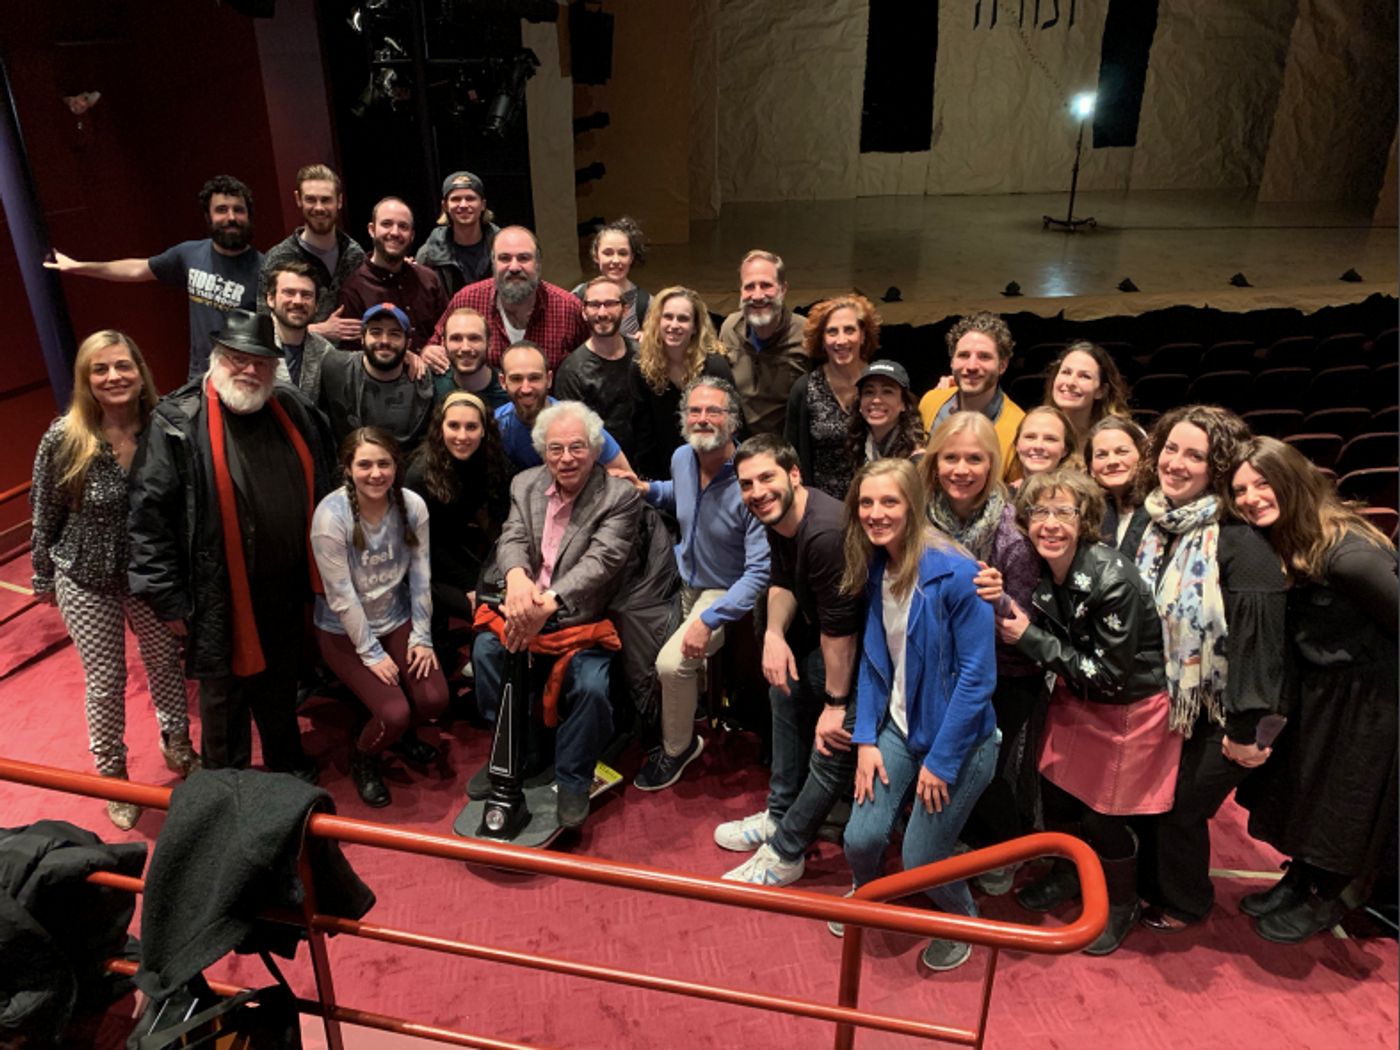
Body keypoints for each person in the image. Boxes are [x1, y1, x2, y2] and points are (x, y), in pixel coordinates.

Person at [128, 309, 334, 776]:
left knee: (280, 685)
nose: (249, 370)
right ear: (217, 359)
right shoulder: (178, 420)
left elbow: (324, 478)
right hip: (214, 590)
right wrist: (168, 598)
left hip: (285, 587)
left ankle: (286, 771)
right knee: (224, 699)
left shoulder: (292, 409)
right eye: (238, 358)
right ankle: (226, 789)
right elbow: (147, 517)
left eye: (261, 361)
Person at [996, 468, 1178, 955]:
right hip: (1075, 698)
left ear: (1086, 519)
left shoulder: (1113, 578)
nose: (1050, 523)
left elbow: (1108, 674)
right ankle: (1067, 875)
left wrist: (1028, 638)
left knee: (1103, 818)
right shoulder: (1040, 567)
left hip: (1126, 709)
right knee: (1057, 799)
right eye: (1039, 511)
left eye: (1064, 512)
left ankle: (1121, 904)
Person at [1230, 437, 1398, 943]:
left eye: (1262, 483)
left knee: (1343, 804)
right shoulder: (1290, 542)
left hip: (1371, 701)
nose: (1250, 497)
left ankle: (1329, 895)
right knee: (1309, 792)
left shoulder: (1351, 556)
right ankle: (1301, 880)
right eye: (1240, 490)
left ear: (1292, 481)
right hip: (1325, 691)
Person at [834, 458, 998, 973]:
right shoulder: (877, 566)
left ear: (914, 506)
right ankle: (869, 892)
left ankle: (963, 921)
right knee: (859, 839)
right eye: (866, 502)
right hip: (900, 730)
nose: (876, 513)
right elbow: (875, 662)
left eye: (890, 501)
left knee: (922, 859)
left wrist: (942, 762)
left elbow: (977, 680)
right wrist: (865, 739)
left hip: (961, 741)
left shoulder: (959, 574)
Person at [30, 330, 197, 830]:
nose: (113, 377)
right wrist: (42, 575)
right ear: (85, 380)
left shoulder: (163, 428)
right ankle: (113, 777)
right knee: (105, 680)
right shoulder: (64, 438)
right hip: (85, 575)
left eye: (123, 366)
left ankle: (178, 744)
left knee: (165, 661)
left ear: (140, 372)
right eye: (100, 369)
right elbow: (44, 511)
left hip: (148, 574)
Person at [1133, 405, 1288, 931]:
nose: (1175, 463)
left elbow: (1259, 650)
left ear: (1217, 467)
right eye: (1171, 449)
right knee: (1159, 803)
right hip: (1171, 703)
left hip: (1229, 710)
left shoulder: (1240, 543)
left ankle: (1186, 903)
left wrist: (1247, 732)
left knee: (1182, 806)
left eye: (1194, 456)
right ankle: (1154, 887)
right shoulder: (1156, 523)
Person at [472, 401, 643, 829]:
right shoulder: (525, 484)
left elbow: (603, 561)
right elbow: (512, 537)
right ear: (543, 451)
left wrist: (548, 600)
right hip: (525, 607)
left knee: (591, 688)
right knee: (486, 653)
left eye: (576, 447)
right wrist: (515, 578)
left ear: (595, 449)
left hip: (580, 619)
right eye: (556, 449)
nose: (566, 458)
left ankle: (572, 777)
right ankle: (519, 753)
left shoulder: (619, 496)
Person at [716, 435, 862, 887]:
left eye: (766, 478)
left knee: (834, 740)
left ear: (794, 474)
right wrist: (774, 635)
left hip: (879, 660)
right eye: (747, 484)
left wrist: (836, 705)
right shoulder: (779, 518)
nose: (757, 491)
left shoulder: (824, 532)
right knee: (785, 686)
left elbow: (842, 633)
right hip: (841, 643)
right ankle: (780, 814)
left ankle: (787, 850)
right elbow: (781, 581)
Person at [921, 412, 1042, 892]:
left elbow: (1027, 625)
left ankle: (1005, 848)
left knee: (981, 764)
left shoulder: (1012, 535)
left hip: (1004, 671)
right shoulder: (919, 516)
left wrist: (999, 600)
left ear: (992, 464)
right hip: (936, 664)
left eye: (975, 459)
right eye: (950, 457)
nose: (961, 469)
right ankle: (964, 837)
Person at [631, 377, 770, 791]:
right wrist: (648, 490)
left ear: (733, 421)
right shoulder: (682, 457)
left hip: (725, 589)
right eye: (695, 410)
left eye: (714, 411)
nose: (703, 418)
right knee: (631, 623)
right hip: (681, 575)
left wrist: (709, 620)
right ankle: (686, 703)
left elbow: (758, 573)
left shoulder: (751, 478)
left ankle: (678, 748)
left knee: (671, 665)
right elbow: (681, 494)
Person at [311, 428, 449, 807]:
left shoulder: (412, 506)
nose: (376, 473)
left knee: (435, 699)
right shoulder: (330, 516)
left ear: (396, 466)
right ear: (348, 468)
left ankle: (399, 739)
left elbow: (420, 577)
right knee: (394, 713)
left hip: (396, 617)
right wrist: (371, 653)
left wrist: (422, 636)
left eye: (384, 464)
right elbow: (341, 597)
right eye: (365, 465)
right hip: (343, 631)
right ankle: (364, 756)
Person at [46, 175, 262, 380]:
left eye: (238, 210)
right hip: (200, 379)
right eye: (221, 210)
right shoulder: (189, 254)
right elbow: (136, 269)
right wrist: (79, 267)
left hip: (244, 380)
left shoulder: (265, 269)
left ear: (249, 216)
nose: (231, 217)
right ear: (209, 216)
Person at [404, 392, 510, 673]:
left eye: (471, 427)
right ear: (440, 428)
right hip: (421, 563)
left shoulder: (489, 460)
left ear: (484, 430)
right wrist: (471, 587)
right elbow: (425, 546)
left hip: (457, 550)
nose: (462, 436)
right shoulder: (419, 475)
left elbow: (500, 522)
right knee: (484, 602)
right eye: (454, 426)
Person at [429, 226, 590, 371]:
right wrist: (429, 353)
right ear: (493, 263)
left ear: (538, 264)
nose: (514, 267)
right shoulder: (467, 301)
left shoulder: (568, 309)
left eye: (523, 258)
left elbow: (591, 362)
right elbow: (434, 345)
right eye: (505, 258)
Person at [628, 286, 735, 481]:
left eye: (683, 319)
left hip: (712, 467)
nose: (674, 325)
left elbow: (731, 423)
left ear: (695, 327)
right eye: (668, 317)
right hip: (661, 471)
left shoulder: (715, 366)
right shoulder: (640, 367)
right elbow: (642, 431)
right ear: (657, 321)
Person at [337, 197, 449, 373]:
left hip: (435, 374)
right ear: (372, 229)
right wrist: (400, 355)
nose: (395, 232)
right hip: (385, 381)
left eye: (403, 226)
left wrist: (432, 347)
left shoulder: (429, 279)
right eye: (386, 224)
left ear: (412, 235)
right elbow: (352, 355)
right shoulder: (354, 288)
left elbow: (447, 328)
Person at [257, 164, 365, 344]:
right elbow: (263, 327)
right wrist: (318, 330)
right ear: (298, 199)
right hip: (298, 360)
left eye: (326, 200)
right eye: (310, 199)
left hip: (350, 359)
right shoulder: (278, 259)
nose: (319, 207)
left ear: (339, 201)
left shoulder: (354, 254)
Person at [785, 294, 879, 501]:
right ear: (822, 339)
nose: (841, 340)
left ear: (863, 335)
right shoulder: (805, 388)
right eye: (832, 332)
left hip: (877, 503)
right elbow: (792, 458)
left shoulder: (882, 382)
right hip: (823, 507)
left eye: (849, 330)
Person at [917, 312, 1026, 482]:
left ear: (1003, 365)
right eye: (964, 355)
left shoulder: (1019, 427)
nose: (972, 366)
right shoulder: (930, 402)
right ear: (952, 361)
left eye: (984, 356)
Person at [494, 342, 631, 474]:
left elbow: (625, 476)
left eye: (534, 378)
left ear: (549, 379)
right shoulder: (495, 426)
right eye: (516, 379)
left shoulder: (579, 423)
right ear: (502, 382)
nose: (526, 389)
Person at [319, 304, 435, 454]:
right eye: (376, 332)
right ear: (362, 338)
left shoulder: (423, 381)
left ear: (408, 344)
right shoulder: (335, 367)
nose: (384, 340)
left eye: (394, 334)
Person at [718, 250, 810, 436]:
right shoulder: (729, 329)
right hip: (739, 444)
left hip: (785, 445)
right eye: (749, 287)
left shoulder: (807, 334)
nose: (758, 296)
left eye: (766, 285)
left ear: (783, 289)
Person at [552, 276, 638, 455]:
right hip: (600, 462)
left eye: (610, 304)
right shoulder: (571, 371)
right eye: (594, 305)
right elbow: (575, 434)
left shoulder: (643, 357)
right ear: (584, 312)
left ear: (625, 310)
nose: (602, 313)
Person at [416, 171, 501, 297]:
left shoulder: (504, 248)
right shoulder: (428, 255)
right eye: (456, 199)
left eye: (470, 198)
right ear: (445, 206)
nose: (463, 205)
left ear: (483, 205)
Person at [265, 260, 334, 403]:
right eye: (289, 293)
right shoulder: (251, 344)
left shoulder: (326, 352)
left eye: (306, 295)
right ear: (271, 299)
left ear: (317, 305)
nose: (298, 301)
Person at [571, 218, 650, 336]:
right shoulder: (578, 296)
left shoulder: (646, 304)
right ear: (596, 256)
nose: (616, 260)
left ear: (631, 257)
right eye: (608, 253)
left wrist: (648, 340)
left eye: (623, 253)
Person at [1043, 341, 1131, 443]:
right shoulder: (1032, 429)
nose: (1070, 382)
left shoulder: (1120, 437)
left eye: (1085, 376)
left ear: (1101, 390)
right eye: (1066, 372)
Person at [1086, 415, 1150, 555]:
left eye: (1122, 452)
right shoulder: (1087, 515)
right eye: (1101, 455)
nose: (1112, 461)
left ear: (1143, 456)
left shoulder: (1159, 509)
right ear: (1091, 469)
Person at [846, 360, 925, 469]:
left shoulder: (917, 458)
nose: (876, 400)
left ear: (904, 404)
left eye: (887, 391)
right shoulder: (858, 447)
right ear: (860, 403)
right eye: (869, 392)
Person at [432, 306, 509, 409]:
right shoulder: (432, 387)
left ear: (490, 343)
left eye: (474, 338)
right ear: (443, 343)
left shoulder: (508, 391)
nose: (465, 348)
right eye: (456, 338)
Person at [1010, 405, 1076, 484]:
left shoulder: (1079, 491)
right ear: (1016, 444)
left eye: (1050, 439)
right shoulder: (1003, 491)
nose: (1038, 446)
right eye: (1030, 437)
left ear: (1065, 449)